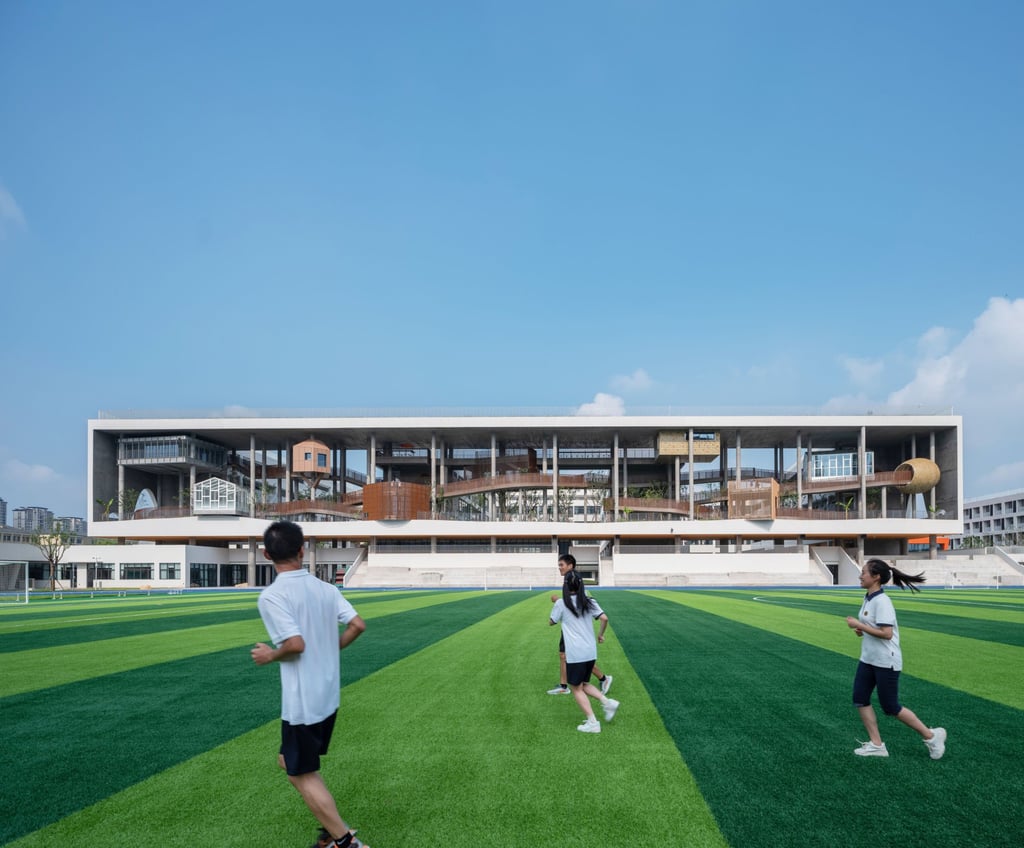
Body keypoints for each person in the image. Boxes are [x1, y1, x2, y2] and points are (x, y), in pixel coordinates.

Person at [252, 520, 370, 848]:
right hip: (327, 696)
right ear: (303, 551)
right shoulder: (327, 589)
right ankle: (330, 831)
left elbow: (296, 644)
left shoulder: (273, 596)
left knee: (298, 772)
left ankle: (343, 841)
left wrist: (269, 655)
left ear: (265, 554)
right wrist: (331, 648)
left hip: (302, 703)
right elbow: (358, 625)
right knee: (288, 760)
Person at [845, 558, 947, 759]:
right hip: (868, 659)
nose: (860, 575)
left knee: (891, 707)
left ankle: (931, 736)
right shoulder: (869, 597)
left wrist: (860, 625)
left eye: (864, 572)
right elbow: (874, 628)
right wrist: (862, 630)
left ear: (876, 577)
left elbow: (887, 633)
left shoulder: (883, 601)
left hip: (885, 661)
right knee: (860, 698)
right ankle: (877, 745)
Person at [549, 569, 621, 733]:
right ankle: (608, 703)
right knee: (583, 683)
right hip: (590, 651)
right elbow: (604, 618)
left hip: (575, 652)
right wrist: (600, 635)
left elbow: (551, 622)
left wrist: (556, 602)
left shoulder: (561, 603)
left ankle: (593, 722)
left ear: (566, 586)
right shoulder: (590, 601)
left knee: (575, 688)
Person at [546, 553, 613, 696]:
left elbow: (572, 601)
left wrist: (558, 601)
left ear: (570, 566)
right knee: (563, 654)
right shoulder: (572, 579)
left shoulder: (572, 579)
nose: (559, 568)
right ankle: (564, 685)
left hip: (572, 627)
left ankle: (603, 678)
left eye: (561, 565)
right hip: (570, 625)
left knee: (574, 656)